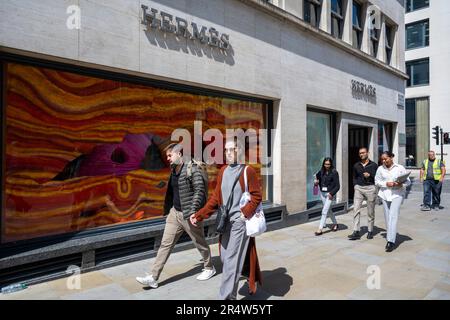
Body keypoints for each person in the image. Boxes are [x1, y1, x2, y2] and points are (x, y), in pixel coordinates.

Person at [190, 139, 263, 300]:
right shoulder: (223, 171)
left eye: (232, 149)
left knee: (230, 260)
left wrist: (244, 214)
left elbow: (257, 196)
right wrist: (199, 214)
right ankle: (242, 272)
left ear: (240, 151)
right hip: (226, 223)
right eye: (226, 150)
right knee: (224, 257)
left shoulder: (247, 171)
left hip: (239, 222)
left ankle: (226, 298)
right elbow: (216, 199)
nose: (228, 153)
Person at [136, 143, 215, 288]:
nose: (167, 158)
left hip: (189, 214)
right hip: (175, 213)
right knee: (165, 244)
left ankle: (209, 267)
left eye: (169, 155)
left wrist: (193, 211)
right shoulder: (174, 169)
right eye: (167, 156)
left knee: (200, 243)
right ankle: (153, 277)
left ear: (179, 154)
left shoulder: (193, 168)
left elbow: (199, 191)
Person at [375, 151, 411, 252]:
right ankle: (389, 235)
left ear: (391, 157)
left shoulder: (400, 168)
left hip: (397, 195)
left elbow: (408, 181)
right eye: (382, 159)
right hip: (385, 194)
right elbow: (376, 181)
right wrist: (386, 183)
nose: (384, 161)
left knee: (393, 216)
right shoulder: (380, 168)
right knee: (387, 217)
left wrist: (401, 185)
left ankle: (391, 241)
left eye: (386, 158)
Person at [348, 147, 379, 240]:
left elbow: (378, 179)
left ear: (367, 153)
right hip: (359, 188)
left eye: (363, 153)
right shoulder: (356, 165)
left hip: (370, 188)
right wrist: (355, 185)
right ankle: (356, 231)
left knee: (370, 211)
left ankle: (370, 230)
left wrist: (370, 176)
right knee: (356, 209)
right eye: (360, 153)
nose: (361, 154)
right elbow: (354, 176)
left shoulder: (374, 165)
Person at [313, 157, 340, 236]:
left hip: (329, 194)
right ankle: (335, 223)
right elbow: (316, 179)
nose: (326, 165)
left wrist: (331, 193)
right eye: (325, 164)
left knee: (324, 211)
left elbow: (337, 186)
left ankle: (320, 229)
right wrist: (316, 182)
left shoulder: (334, 172)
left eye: (328, 164)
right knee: (328, 210)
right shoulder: (321, 172)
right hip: (322, 193)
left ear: (331, 164)